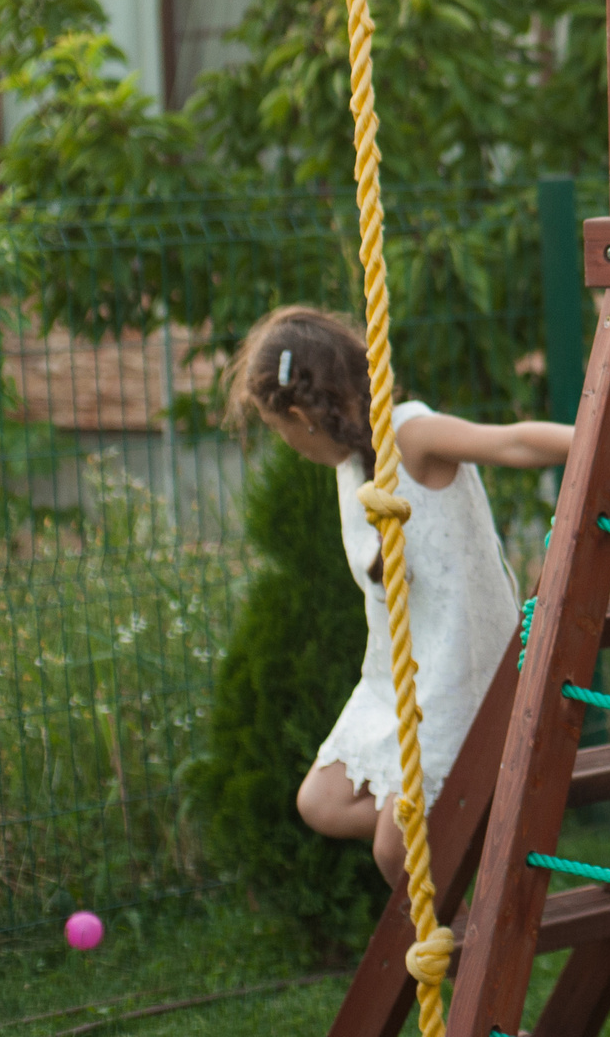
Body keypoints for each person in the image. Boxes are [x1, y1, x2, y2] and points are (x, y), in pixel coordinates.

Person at [228, 304, 574, 885]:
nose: (283, 443)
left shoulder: (407, 433)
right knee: (322, 802)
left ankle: (464, 956)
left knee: (396, 852)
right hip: (400, 672)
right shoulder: (349, 468)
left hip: (461, 664)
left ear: (296, 414)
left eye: (275, 428)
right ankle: (460, 821)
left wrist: (597, 438)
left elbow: (509, 442)